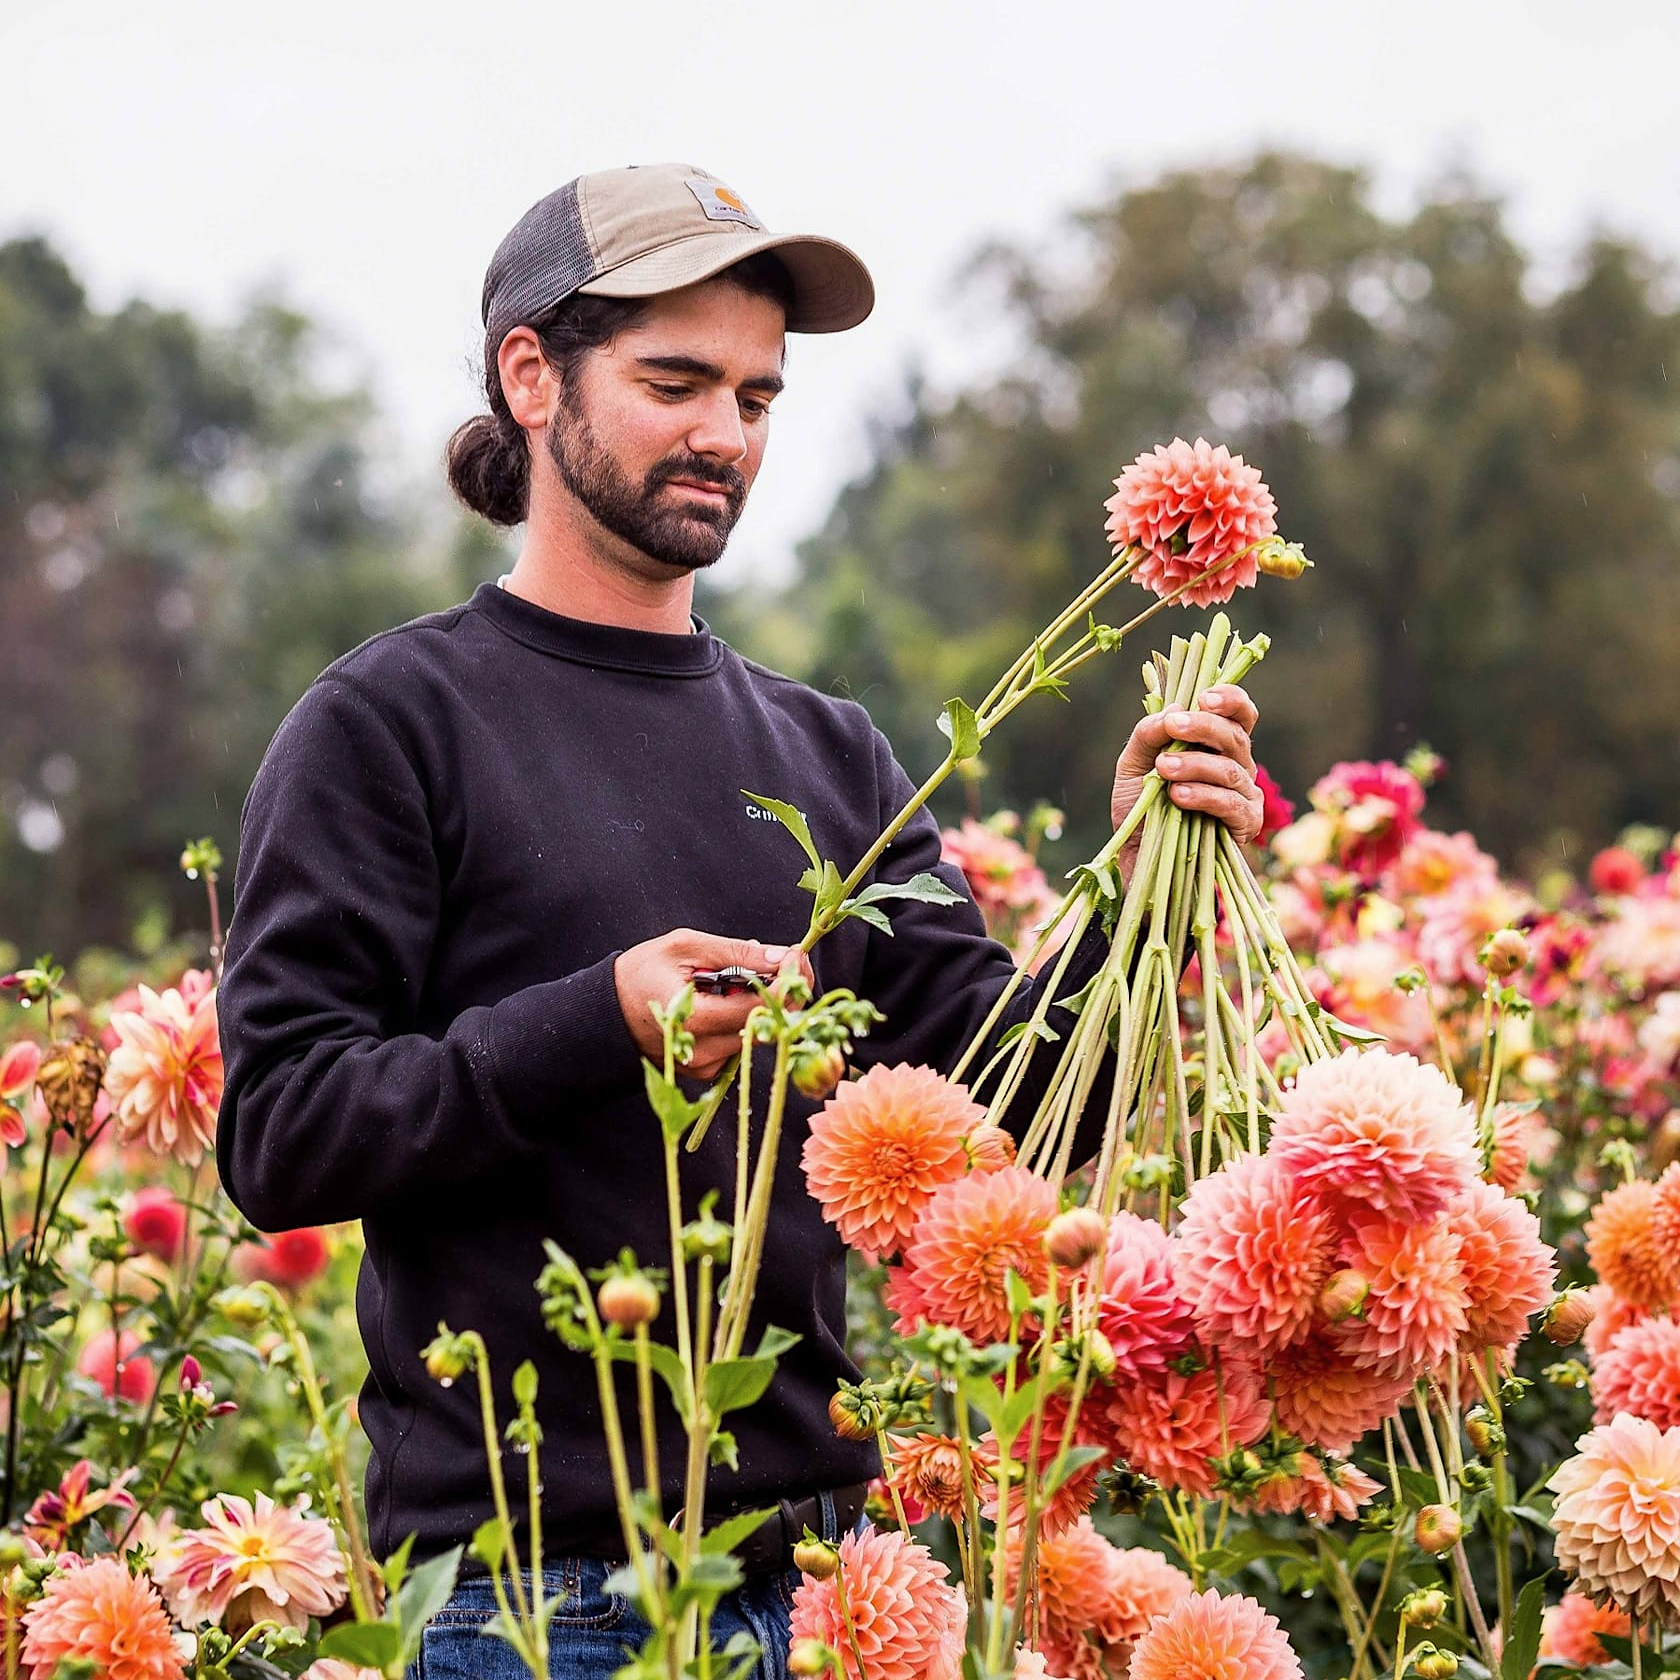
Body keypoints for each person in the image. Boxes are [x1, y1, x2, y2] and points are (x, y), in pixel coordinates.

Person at [216, 162, 1264, 1680]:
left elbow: (1008, 1102)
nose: (726, 432)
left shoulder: (829, 754)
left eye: (758, 397)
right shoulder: (394, 723)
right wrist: (599, 1021)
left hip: (827, 1586)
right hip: (538, 1604)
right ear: (532, 375)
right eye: (674, 381)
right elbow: (282, 1133)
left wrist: (1144, 885)